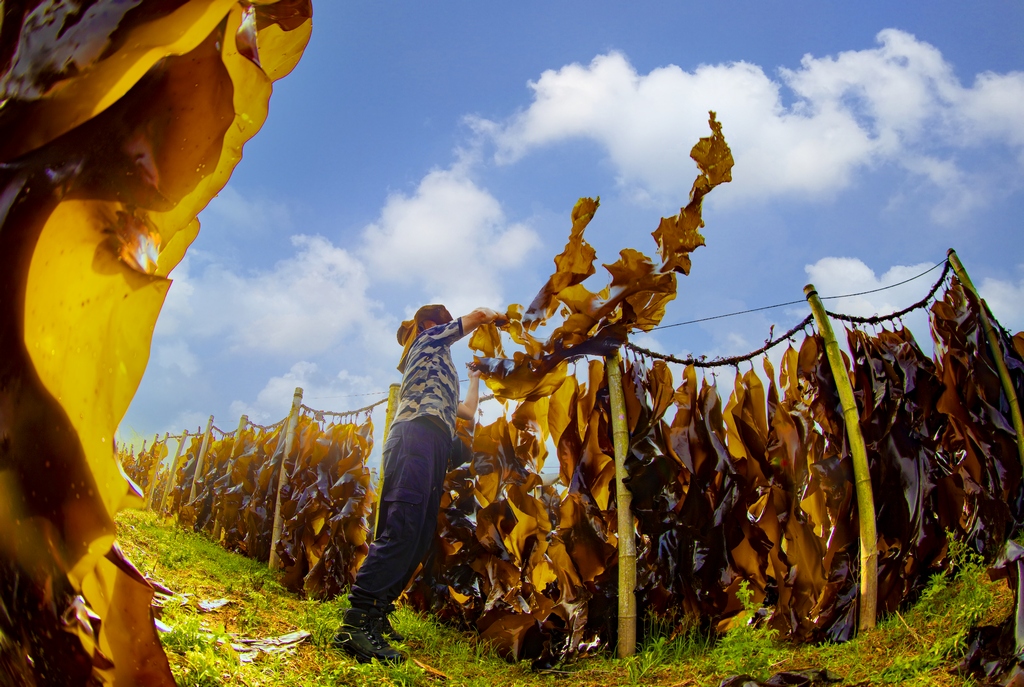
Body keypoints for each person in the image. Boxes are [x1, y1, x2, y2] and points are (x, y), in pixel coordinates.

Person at [333, 304, 503, 663]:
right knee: (402, 527)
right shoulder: (425, 342)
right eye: (442, 321)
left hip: (435, 445)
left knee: (420, 535)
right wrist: (493, 316)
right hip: (414, 436)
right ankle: (356, 623)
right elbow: (474, 317)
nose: (447, 326)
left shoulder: (441, 368)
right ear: (429, 325)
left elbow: (468, 412)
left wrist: (474, 379)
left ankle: (376, 614)